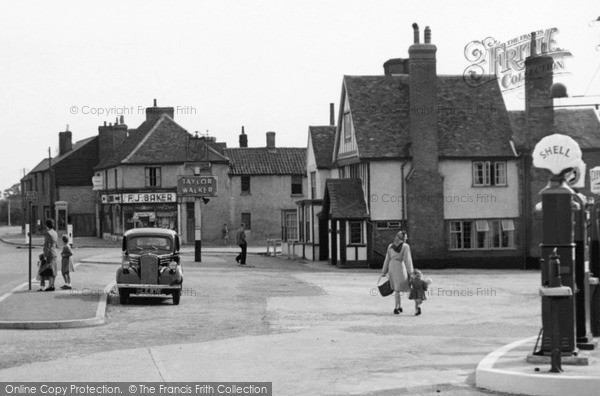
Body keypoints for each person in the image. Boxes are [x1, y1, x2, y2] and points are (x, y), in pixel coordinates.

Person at [381, 230, 414, 314]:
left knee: (397, 289)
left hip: (392, 267)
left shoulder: (390, 246)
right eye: (405, 236)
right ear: (402, 238)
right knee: (406, 286)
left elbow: (387, 259)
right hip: (400, 267)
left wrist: (384, 271)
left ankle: (397, 307)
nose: (406, 238)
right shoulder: (405, 246)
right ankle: (416, 305)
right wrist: (411, 272)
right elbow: (408, 260)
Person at [42, 219, 59, 292]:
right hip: (54, 252)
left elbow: (47, 245)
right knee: (54, 269)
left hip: (50, 253)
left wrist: (45, 255)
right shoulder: (55, 233)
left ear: (46, 225)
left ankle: (50, 285)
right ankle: (53, 284)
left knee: (50, 270)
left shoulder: (48, 233)